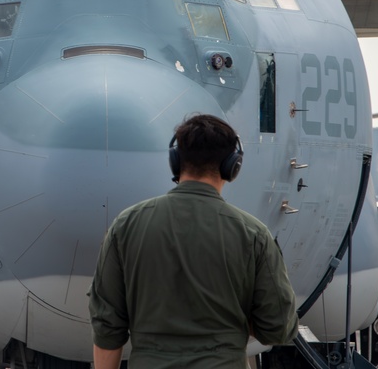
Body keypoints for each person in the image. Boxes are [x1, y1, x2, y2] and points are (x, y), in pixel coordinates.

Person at [89, 114, 298, 369]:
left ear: (175, 161)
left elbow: (107, 328)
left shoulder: (126, 225)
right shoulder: (254, 235)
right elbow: (277, 328)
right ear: (233, 166)